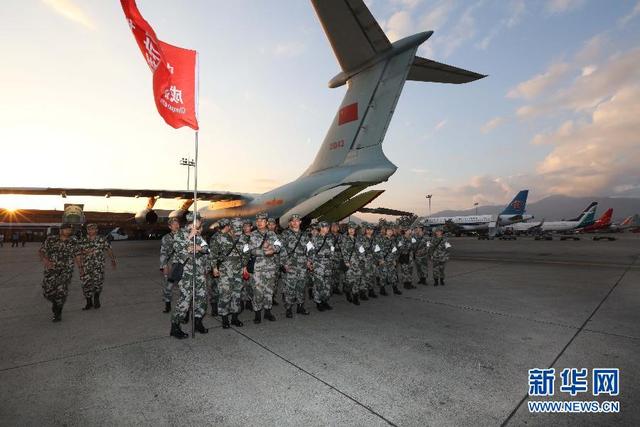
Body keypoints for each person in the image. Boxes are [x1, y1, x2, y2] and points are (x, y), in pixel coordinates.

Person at [170, 214, 210, 339]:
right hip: (186, 273)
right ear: (194, 221)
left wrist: (199, 248)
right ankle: (175, 327)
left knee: (202, 298)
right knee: (185, 300)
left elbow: (207, 249)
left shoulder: (199, 235)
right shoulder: (180, 234)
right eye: (199, 220)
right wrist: (190, 237)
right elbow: (178, 249)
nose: (200, 223)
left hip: (199, 272)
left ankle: (198, 322)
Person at [38, 223, 83, 322]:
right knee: (47, 292)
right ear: (61, 230)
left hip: (66, 270)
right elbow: (41, 251)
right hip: (51, 270)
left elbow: (78, 255)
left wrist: (80, 268)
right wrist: (46, 260)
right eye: (67, 229)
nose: (69, 231)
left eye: (70, 230)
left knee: (61, 291)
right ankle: (55, 302)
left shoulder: (74, 241)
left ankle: (58, 312)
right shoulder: (51, 239)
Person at [211, 218, 247, 328]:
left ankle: (235, 318)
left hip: (238, 270)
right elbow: (213, 254)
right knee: (225, 294)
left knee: (237, 294)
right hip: (224, 270)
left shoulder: (244, 238)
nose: (237, 231)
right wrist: (214, 268)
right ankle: (225, 319)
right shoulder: (220, 238)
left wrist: (244, 266)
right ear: (230, 226)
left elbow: (246, 253)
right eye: (235, 228)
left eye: (239, 228)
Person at [247, 212, 282, 323]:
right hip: (258, 268)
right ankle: (257, 314)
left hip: (270, 267)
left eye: (262, 221)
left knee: (269, 290)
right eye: (257, 221)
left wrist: (273, 249)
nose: (259, 223)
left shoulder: (272, 234)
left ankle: (267, 312)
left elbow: (278, 246)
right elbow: (251, 250)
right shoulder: (253, 235)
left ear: (266, 222)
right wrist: (264, 250)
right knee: (257, 291)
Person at [78, 223, 116, 310]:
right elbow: (77, 252)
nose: (91, 231)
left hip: (98, 266)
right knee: (85, 284)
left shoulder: (102, 240)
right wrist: (85, 253)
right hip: (86, 266)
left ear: (96, 230)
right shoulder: (82, 240)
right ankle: (89, 302)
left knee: (98, 283)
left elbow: (109, 249)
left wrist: (113, 260)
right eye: (89, 229)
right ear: (87, 230)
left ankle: (96, 298)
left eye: (93, 229)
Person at [280, 213, 311, 318]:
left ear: (300, 222)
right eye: (293, 221)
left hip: (302, 265)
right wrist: (284, 263)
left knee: (301, 287)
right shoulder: (285, 234)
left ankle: (300, 307)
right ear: (290, 222)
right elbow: (281, 249)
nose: (295, 222)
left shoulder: (305, 235)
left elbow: (310, 249)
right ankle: (288, 308)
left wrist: (309, 260)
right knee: (290, 287)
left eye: (297, 220)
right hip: (291, 264)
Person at [308, 221, 335, 311]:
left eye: (327, 227)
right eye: (324, 227)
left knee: (327, 283)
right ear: (320, 228)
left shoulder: (330, 238)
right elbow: (309, 252)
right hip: (318, 263)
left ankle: (325, 300)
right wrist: (310, 263)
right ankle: (318, 302)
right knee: (319, 283)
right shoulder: (314, 239)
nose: (327, 228)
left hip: (328, 263)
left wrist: (332, 259)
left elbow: (332, 250)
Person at [159, 218, 181, 313]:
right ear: (169, 226)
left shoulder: (185, 236)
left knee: (184, 288)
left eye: (177, 223)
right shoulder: (166, 238)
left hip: (183, 265)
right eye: (174, 224)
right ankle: (167, 305)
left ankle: (185, 309)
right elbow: (163, 252)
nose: (176, 225)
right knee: (168, 287)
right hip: (171, 265)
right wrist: (164, 265)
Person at [340, 222, 363, 305]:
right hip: (349, 263)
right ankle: (348, 292)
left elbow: (361, 250)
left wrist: (362, 259)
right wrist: (346, 261)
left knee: (357, 280)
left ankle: (355, 297)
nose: (351, 230)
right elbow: (343, 251)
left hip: (358, 263)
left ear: (355, 230)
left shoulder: (358, 238)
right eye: (350, 229)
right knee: (349, 281)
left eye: (353, 229)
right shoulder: (344, 238)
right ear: (348, 229)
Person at [378, 225, 402, 296]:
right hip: (384, 261)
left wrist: (394, 259)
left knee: (393, 275)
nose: (390, 232)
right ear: (385, 232)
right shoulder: (382, 240)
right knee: (383, 276)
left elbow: (395, 251)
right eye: (388, 231)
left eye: (391, 231)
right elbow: (378, 250)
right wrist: (381, 259)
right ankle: (382, 290)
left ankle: (395, 289)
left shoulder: (393, 240)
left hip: (391, 261)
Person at [359, 223, 378, 301]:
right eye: (368, 229)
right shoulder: (362, 239)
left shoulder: (374, 239)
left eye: (371, 230)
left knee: (372, 276)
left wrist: (378, 259)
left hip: (372, 260)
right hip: (365, 260)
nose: (370, 231)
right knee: (364, 277)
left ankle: (371, 291)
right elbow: (360, 250)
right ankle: (362, 292)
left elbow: (377, 250)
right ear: (366, 230)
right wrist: (363, 259)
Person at [267, 217, 281, 306]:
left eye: (273, 224)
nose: (271, 226)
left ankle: (272, 297)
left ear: (275, 225)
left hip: (276, 262)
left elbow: (281, 250)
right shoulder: (264, 235)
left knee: (275, 281)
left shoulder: (278, 236)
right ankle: (266, 299)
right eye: (269, 224)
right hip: (267, 263)